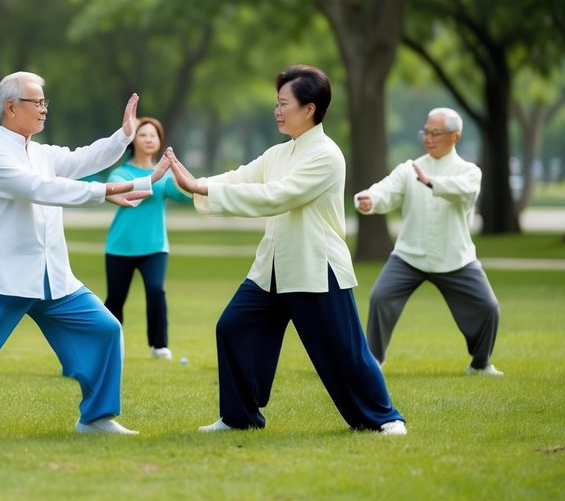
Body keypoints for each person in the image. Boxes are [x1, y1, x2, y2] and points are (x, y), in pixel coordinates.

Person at [0, 71, 169, 437]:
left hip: (53, 276)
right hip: (4, 276)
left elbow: (84, 160)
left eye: (45, 102)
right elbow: (42, 189)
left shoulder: (40, 152)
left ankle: (95, 418)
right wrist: (122, 187)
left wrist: (124, 136)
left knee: (105, 329)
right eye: (36, 102)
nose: (44, 110)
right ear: (11, 108)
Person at [166, 65, 406, 435]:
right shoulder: (279, 153)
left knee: (343, 350)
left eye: (283, 103)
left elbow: (276, 197)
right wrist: (195, 183)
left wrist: (202, 190)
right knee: (233, 328)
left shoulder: (326, 155)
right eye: (276, 103)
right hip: (272, 268)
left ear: (309, 109)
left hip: (316, 266)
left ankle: (384, 418)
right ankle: (240, 417)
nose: (277, 111)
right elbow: (242, 177)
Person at [355, 107, 502, 376]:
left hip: (456, 258)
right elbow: (386, 190)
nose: (428, 138)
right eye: (426, 131)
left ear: (455, 137)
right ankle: (373, 362)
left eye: (436, 133)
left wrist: (431, 182)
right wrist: (370, 200)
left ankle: (480, 364)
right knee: (380, 297)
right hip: (409, 257)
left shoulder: (469, 171)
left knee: (488, 308)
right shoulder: (409, 168)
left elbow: (464, 192)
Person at [102, 116, 191, 360]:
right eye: (143, 134)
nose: (149, 139)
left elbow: (188, 195)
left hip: (155, 247)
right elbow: (128, 194)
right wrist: (156, 176)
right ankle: (109, 345)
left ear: (160, 140)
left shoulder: (163, 174)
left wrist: (177, 168)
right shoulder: (121, 173)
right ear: (133, 141)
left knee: (155, 290)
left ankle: (159, 345)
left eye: (154, 135)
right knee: (116, 298)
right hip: (120, 247)